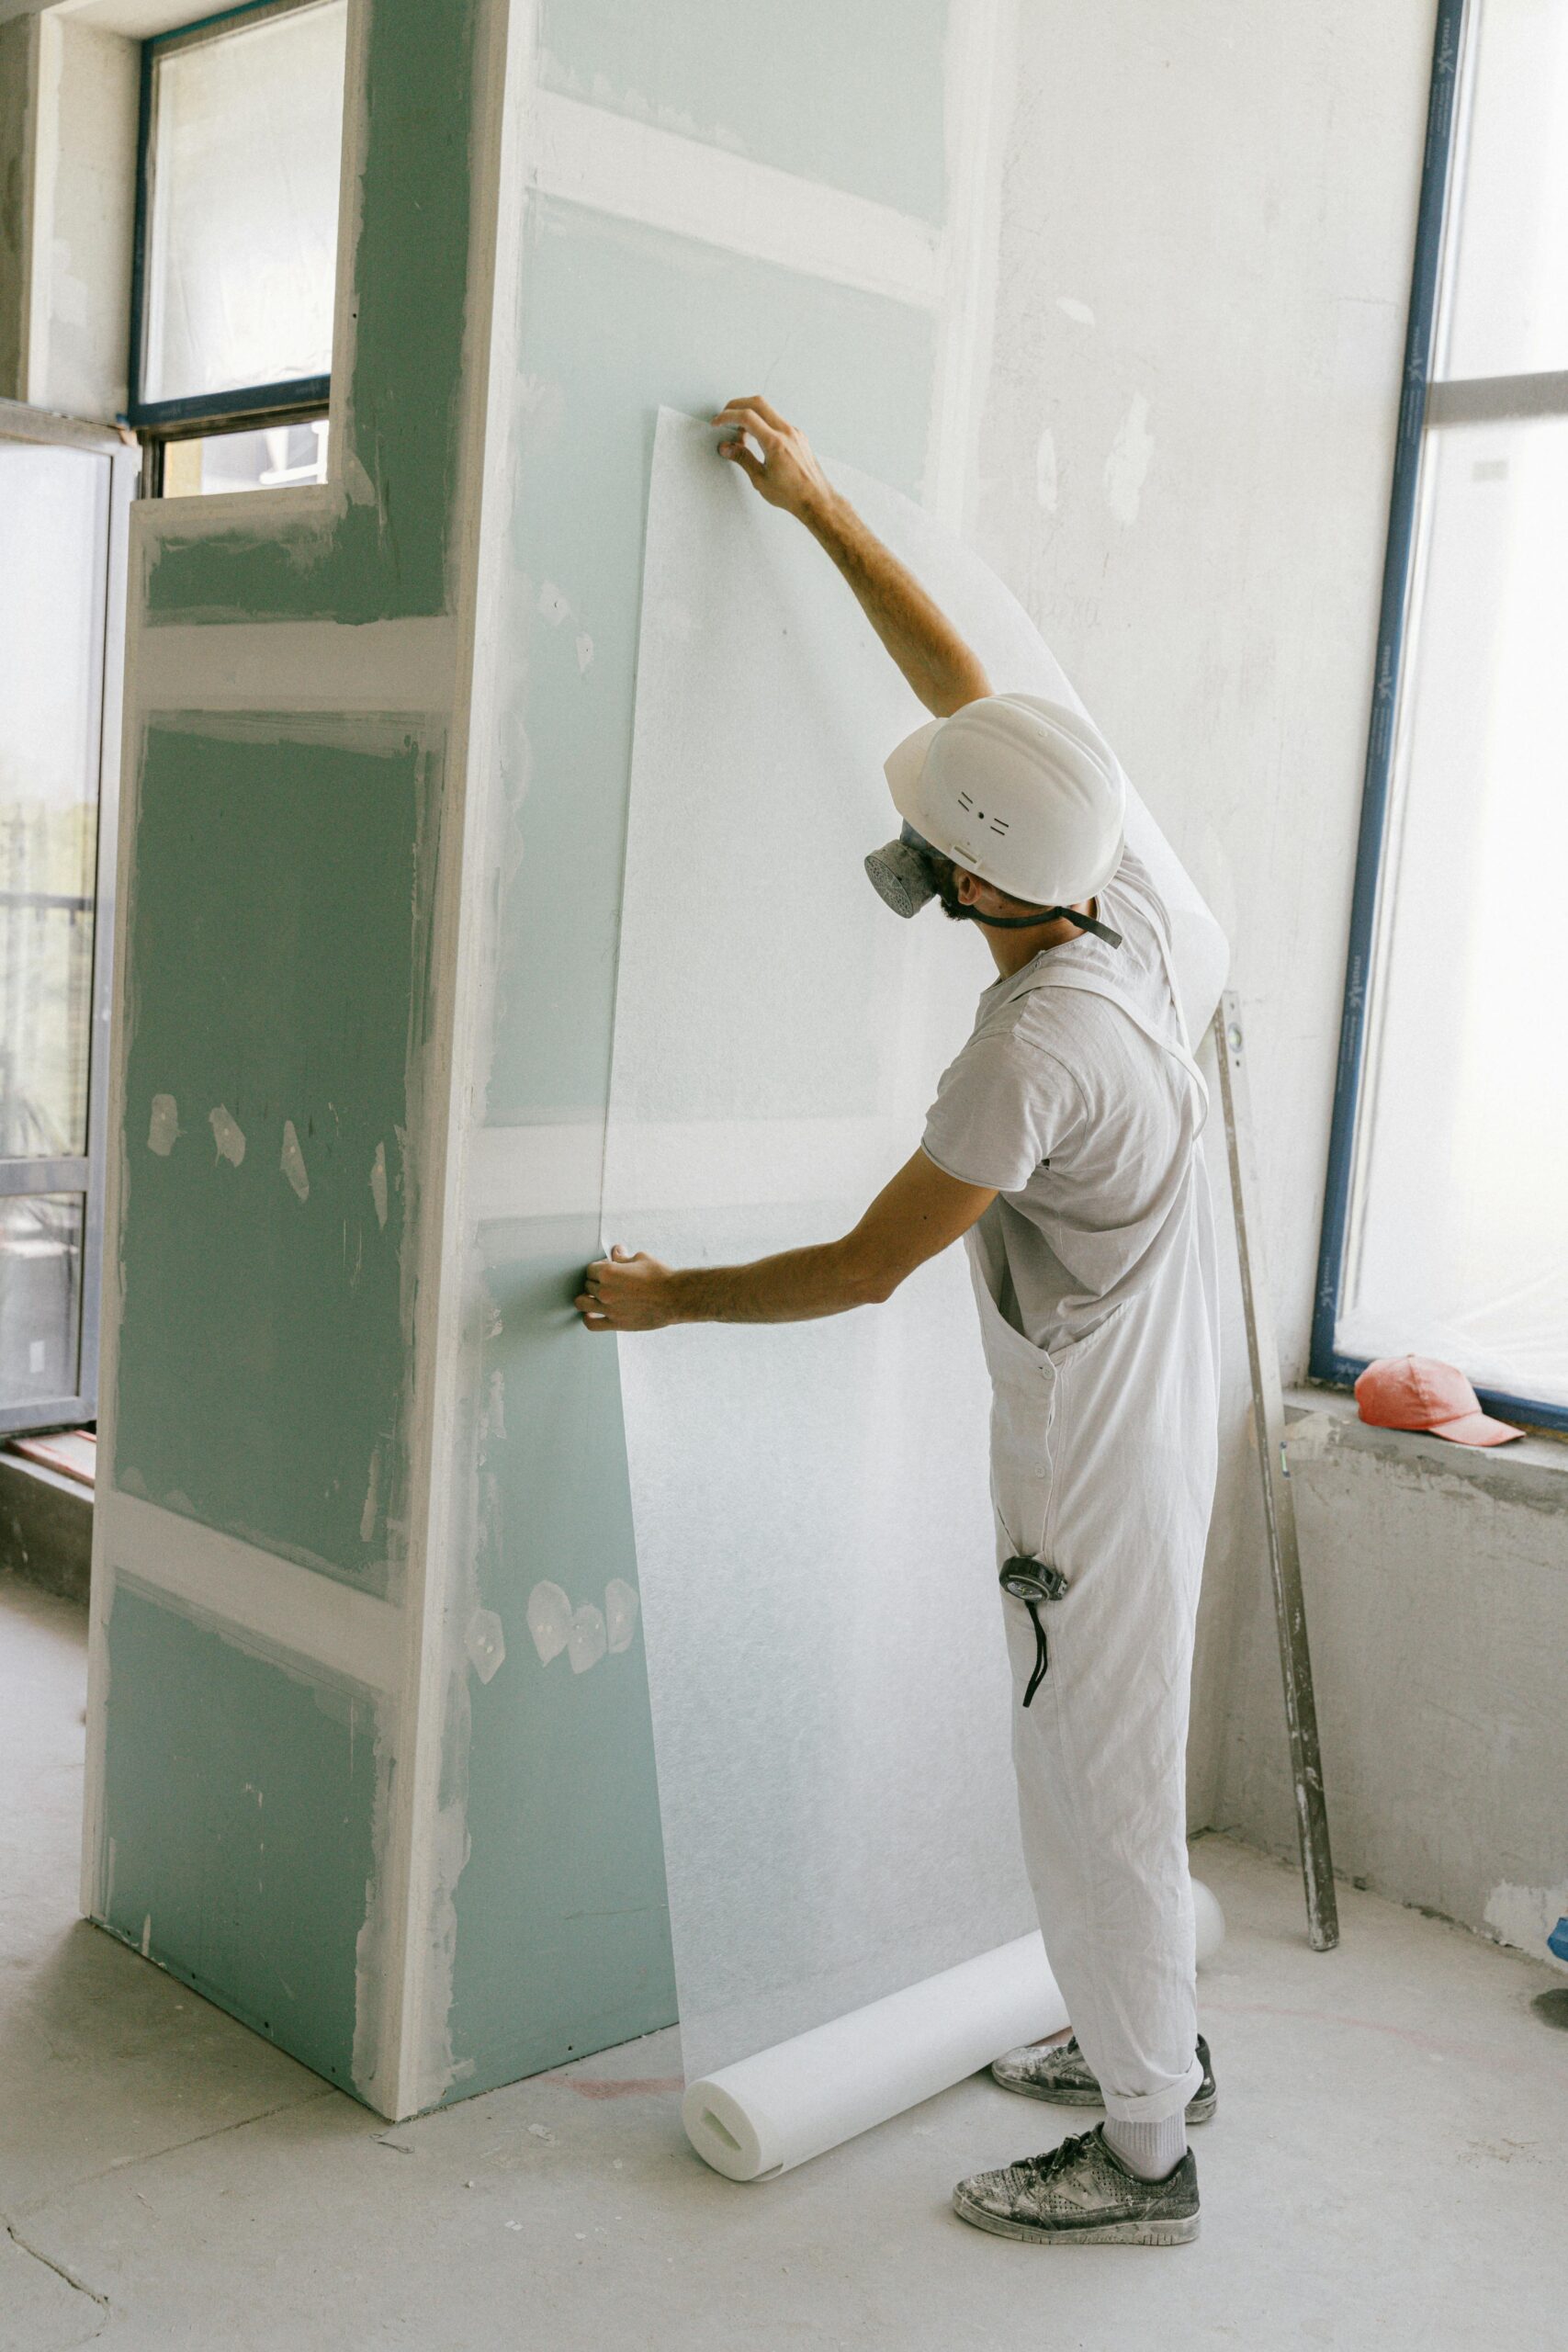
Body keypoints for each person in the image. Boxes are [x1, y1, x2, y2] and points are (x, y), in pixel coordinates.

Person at [576, 395, 1221, 2248]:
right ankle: (1151, 2044)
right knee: (1120, 1765)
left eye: (938, 852)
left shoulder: (1027, 1052)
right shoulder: (1130, 896)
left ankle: (1144, 2152)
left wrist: (659, 1296)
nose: (920, 863)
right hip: (1149, 1390)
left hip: (1087, 1458)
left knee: (1086, 1784)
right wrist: (824, 507)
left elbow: (864, 1264)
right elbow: (973, 692)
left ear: (978, 880)